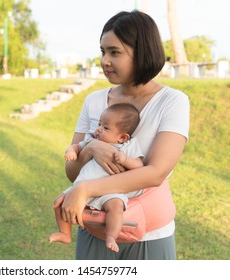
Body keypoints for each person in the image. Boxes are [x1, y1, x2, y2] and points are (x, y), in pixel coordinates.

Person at [53, 10, 190, 260]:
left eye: (115, 52)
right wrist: (92, 149)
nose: (105, 61)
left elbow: (156, 172)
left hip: (150, 235)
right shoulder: (94, 101)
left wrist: (85, 189)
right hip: (94, 230)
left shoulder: (172, 102)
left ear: (142, 51)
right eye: (103, 51)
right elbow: (71, 171)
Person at [49, 103, 144, 252]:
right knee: (58, 203)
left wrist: (125, 160)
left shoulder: (129, 146)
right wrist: (71, 151)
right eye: (100, 124)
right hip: (82, 186)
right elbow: (76, 146)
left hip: (110, 190)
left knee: (116, 208)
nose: (98, 129)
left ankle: (111, 236)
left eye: (105, 127)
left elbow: (139, 165)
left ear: (122, 137)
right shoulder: (93, 139)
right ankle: (65, 233)